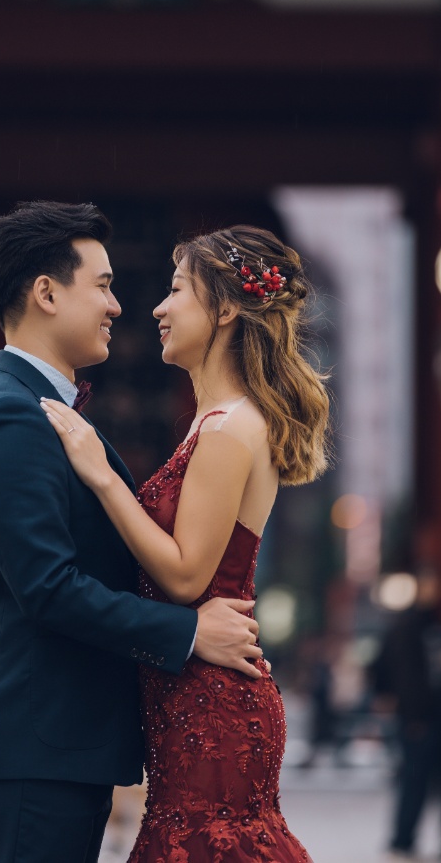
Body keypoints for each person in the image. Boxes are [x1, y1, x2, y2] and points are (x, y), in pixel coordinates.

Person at [0, 201, 265, 863]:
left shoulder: (42, 410)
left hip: (60, 748)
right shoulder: (13, 417)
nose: (118, 305)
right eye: (102, 285)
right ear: (45, 293)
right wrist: (188, 633)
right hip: (35, 752)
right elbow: (48, 588)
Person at [42, 224, 330, 861]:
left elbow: (184, 577)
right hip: (194, 692)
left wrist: (100, 473)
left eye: (176, 291)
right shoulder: (217, 420)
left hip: (213, 704)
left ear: (225, 309)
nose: (157, 309)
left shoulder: (229, 427)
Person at [372, 569, 441, 860]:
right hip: (417, 718)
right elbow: (384, 667)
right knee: (413, 781)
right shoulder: (407, 626)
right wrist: (390, 699)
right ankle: (402, 840)